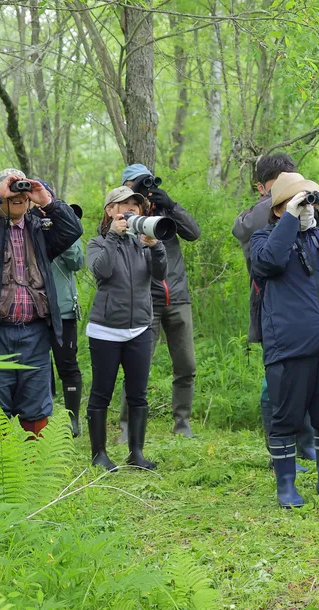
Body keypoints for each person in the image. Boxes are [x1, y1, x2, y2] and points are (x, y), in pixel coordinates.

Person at [250, 172, 319, 508]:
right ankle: (286, 486)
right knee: (286, 417)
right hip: (289, 344)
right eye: (298, 201)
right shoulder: (263, 237)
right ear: (278, 209)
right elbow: (268, 262)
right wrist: (289, 220)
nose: (306, 207)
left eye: (309, 199)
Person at [0, 169, 83, 437]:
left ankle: (33, 475)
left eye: (22, 190)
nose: (17, 195)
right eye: (10, 190)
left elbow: (74, 229)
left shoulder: (41, 230)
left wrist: (47, 200)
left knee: (36, 410)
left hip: (35, 334)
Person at [232, 153, 317, 473]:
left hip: (306, 306)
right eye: (279, 182)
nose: (289, 188)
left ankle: (305, 444)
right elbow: (243, 228)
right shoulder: (254, 217)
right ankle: (278, 449)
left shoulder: (305, 207)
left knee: (308, 378)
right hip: (271, 307)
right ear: (261, 188)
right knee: (277, 381)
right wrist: (278, 199)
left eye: (292, 180)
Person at [86, 186, 167, 471]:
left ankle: (137, 453)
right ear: (110, 210)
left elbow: (160, 275)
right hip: (105, 330)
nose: (131, 208)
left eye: (136, 204)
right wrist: (112, 237)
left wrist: (156, 246)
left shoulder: (143, 244)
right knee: (101, 393)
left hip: (140, 329)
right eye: (124, 203)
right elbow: (102, 271)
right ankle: (99, 454)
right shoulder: (97, 243)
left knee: (138, 394)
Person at [117, 164, 201, 439]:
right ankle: (127, 425)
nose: (144, 191)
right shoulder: (121, 216)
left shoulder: (166, 213)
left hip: (177, 297)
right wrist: (132, 212)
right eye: (138, 185)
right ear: (126, 186)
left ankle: (182, 423)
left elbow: (193, 233)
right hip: (144, 301)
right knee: (137, 366)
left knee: (186, 365)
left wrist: (171, 206)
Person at [49, 202, 86, 438]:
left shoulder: (71, 234)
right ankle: (42, 414)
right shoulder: (32, 228)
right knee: (39, 367)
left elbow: (77, 262)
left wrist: (64, 234)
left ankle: (73, 419)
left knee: (68, 366)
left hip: (64, 311)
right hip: (36, 311)